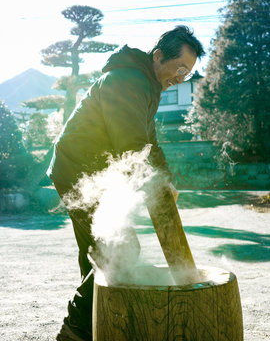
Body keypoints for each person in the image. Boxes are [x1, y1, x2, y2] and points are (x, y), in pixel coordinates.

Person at [47, 25, 205, 341]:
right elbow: (132, 145)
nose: (182, 78)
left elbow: (150, 143)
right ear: (159, 56)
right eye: (180, 69)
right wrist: (154, 188)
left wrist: (165, 181)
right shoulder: (128, 81)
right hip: (80, 170)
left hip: (86, 169)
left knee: (97, 252)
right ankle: (74, 332)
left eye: (188, 74)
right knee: (120, 248)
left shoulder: (148, 84)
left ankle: (95, 325)